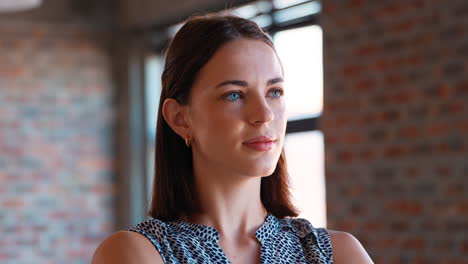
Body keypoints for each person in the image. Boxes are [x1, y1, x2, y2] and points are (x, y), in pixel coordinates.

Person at [92, 13, 373, 264]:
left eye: (274, 92)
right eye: (234, 95)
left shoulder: (337, 253)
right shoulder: (134, 253)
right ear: (180, 118)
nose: (264, 115)